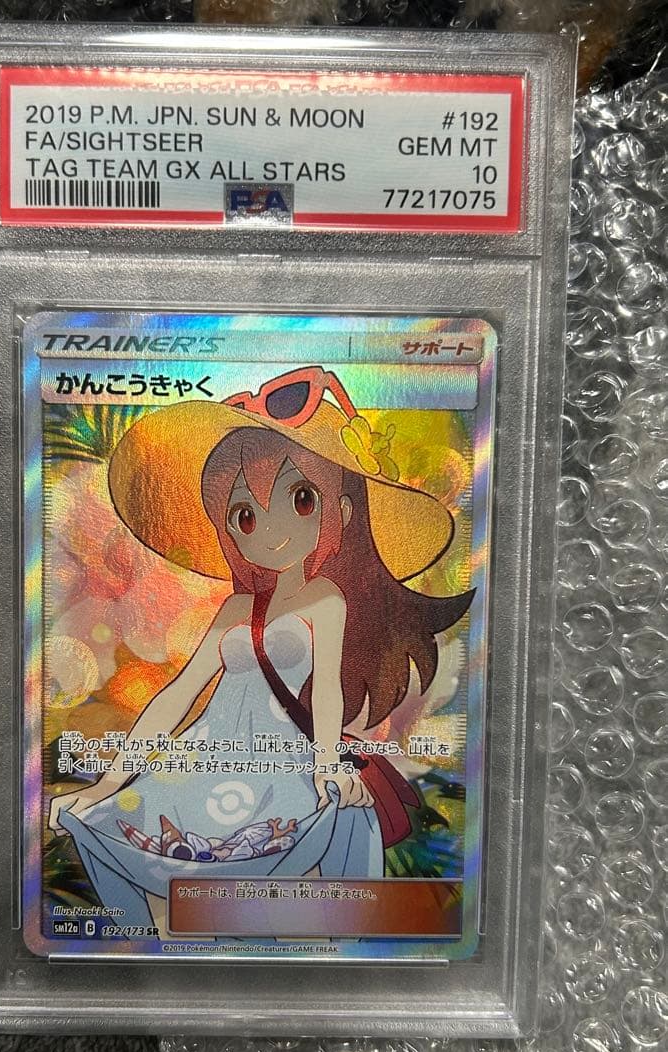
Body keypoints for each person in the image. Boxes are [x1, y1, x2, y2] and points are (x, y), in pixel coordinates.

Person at [48, 366, 473, 933]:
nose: (268, 530)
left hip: (282, 759)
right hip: (211, 754)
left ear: (342, 511)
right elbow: (177, 696)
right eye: (244, 515)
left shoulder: (324, 600)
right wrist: (109, 783)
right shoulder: (235, 610)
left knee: (301, 859)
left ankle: (318, 945)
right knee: (104, 826)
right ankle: (143, 950)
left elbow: (326, 689)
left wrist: (325, 764)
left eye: (300, 499)